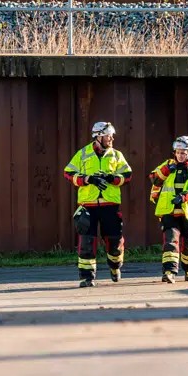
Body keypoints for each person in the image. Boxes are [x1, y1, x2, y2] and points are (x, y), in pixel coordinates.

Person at [64, 121, 132, 287]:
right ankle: (87, 277)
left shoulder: (117, 155)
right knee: (87, 241)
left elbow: (127, 175)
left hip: (110, 205)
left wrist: (112, 178)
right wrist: (88, 179)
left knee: (115, 241)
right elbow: (68, 173)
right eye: (109, 135)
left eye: (111, 135)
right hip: (88, 206)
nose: (111, 138)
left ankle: (115, 267)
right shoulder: (83, 154)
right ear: (98, 136)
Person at [149, 135, 188, 283]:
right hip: (169, 211)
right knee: (170, 241)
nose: (180, 155)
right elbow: (154, 178)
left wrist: (183, 197)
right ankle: (169, 272)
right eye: (178, 152)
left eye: (183, 152)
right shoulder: (168, 165)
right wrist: (167, 170)